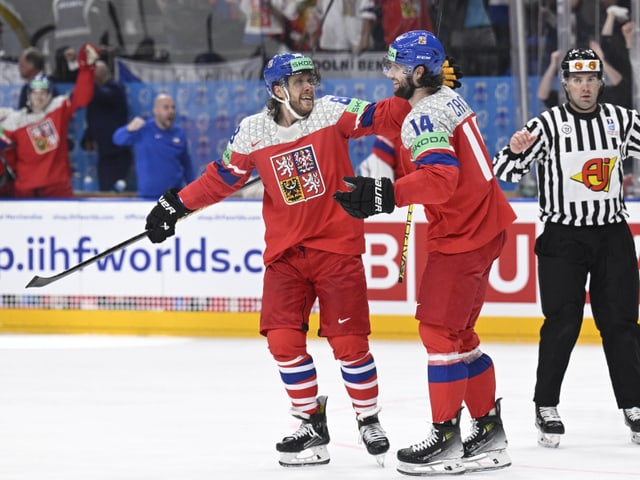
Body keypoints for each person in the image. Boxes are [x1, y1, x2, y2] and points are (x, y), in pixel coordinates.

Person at [143, 52, 410, 467]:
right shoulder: (252, 132)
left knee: (349, 344)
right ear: (277, 89)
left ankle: (368, 418)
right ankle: (309, 424)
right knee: (282, 342)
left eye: (311, 79)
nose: (310, 87)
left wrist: (414, 84)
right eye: (300, 81)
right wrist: (175, 204)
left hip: (336, 250)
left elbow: (384, 116)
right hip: (286, 256)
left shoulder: (332, 111)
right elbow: (221, 178)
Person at [333, 30, 515, 475]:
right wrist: (329, 111)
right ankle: (489, 433)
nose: (388, 72)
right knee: (460, 338)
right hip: (485, 227)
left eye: (395, 66)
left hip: (462, 237)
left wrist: (385, 194)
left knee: (437, 335)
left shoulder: (424, 118)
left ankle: (447, 439)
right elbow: (383, 113)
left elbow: (440, 177)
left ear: (418, 72)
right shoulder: (443, 98)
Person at [493, 47, 640, 448]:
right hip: (563, 237)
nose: (585, 86)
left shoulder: (622, 121)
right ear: (565, 84)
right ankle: (546, 405)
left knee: (623, 324)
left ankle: (634, 404)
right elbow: (503, 172)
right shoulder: (548, 124)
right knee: (563, 323)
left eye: (592, 79)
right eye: (577, 79)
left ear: (600, 81)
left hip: (612, 235)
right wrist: (516, 149)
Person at [0, 43, 98, 198]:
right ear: (28, 95)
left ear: (49, 95)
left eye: (43, 93)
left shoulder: (57, 110)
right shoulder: (15, 120)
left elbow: (81, 97)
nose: (39, 97)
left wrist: (87, 68)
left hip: (57, 189)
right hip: (25, 191)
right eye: (35, 93)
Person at [112, 93, 195, 199]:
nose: (171, 111)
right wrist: (128, 129)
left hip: (174, 198)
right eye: (166, 107)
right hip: (147, 198)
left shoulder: (179, 133)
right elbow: (117, 139)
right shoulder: (143, 130)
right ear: (155, 111)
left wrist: (193, 190)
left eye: (173, 107)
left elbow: (187, 165)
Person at [82, 59, 133, 192]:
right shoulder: (94, 94)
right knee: (105, 192)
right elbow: (93, 118)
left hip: (119, 154)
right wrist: (88, 137)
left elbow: (103, 96)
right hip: (104, 153)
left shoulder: (116, 89)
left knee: (119, 192)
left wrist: (88, 78)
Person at [307, 0, 376, 55]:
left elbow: (367, 13)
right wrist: (313, 36)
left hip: (355, 48)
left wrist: (364, 42)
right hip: (329, 45)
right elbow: (319, 12)